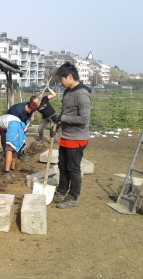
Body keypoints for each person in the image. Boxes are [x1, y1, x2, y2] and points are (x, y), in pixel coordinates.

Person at [51, 61, 91, 209]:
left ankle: (73, 197)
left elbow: (83, 119)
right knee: (62, 166)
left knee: (73, 168)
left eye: (61, 79)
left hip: (78, 138)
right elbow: (66, 114)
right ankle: (61, 191)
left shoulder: (82, 95)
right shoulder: (67, 92)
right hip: (66, 136)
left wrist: (62, 118)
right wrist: (57, 124)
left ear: (69, 76)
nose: (60, 83)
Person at [0, 114, 28, 183]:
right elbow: (3, 136)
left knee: (8, 150)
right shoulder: (2, 122)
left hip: (13, 125)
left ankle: (6, 174)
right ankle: (12, 172)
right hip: (19, 125)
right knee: (14, 150)